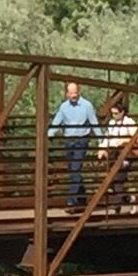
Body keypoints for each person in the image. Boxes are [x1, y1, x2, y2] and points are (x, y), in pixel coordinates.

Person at [48, 80, 100, 208]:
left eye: (75, 92)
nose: (74, 95)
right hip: (69, 140)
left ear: (79, 92)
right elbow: (57, 122)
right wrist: (48, 134)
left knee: (75, 168)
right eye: (71, 93)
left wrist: (102, 140)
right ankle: (82, 199)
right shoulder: (64, 107)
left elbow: (94, 123)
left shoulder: (87, 105)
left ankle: (71, 200)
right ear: (66, 94)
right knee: (73, 170)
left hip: (81, 140)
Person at [98, 98, 138, 205]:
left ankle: (116, 205)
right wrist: (102, 148)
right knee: (110, 180)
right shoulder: (112, 123)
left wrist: (125, 140)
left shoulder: (129, 122)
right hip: (113, 154)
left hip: (124, 154)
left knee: (117, 178)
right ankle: (127, 198)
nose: (114, 116)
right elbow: (107, 138)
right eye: (112, 113)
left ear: (122, 112)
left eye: (116, 113)